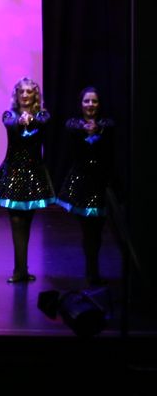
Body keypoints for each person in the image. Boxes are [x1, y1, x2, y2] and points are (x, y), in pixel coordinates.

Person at [0, 77, 55, 283]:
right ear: (16, 95)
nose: (25, 95)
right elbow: (10, 124)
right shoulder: (9, 114)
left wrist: (31, 120)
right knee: (16, 222)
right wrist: (20, 121)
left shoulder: (42, 115)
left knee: (27, 222)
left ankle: (22, 268)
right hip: (13, 175)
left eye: (29, 92)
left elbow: (43, 122)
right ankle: (19, 270)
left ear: (35, 95)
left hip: (34, 175)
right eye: (21, 92)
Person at [56, 87, 114, 284]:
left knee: (97, 231)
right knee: (88, 230)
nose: (90, 105)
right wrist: (86, 129)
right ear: (80, 104)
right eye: (86, 101)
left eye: (94, 101)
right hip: (81, 185)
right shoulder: (74, 124)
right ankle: (91, 271)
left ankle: (93, 269)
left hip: (101, 184)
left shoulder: (107, 125)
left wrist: (98, 129)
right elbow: (71, 128)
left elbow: (109, 129)